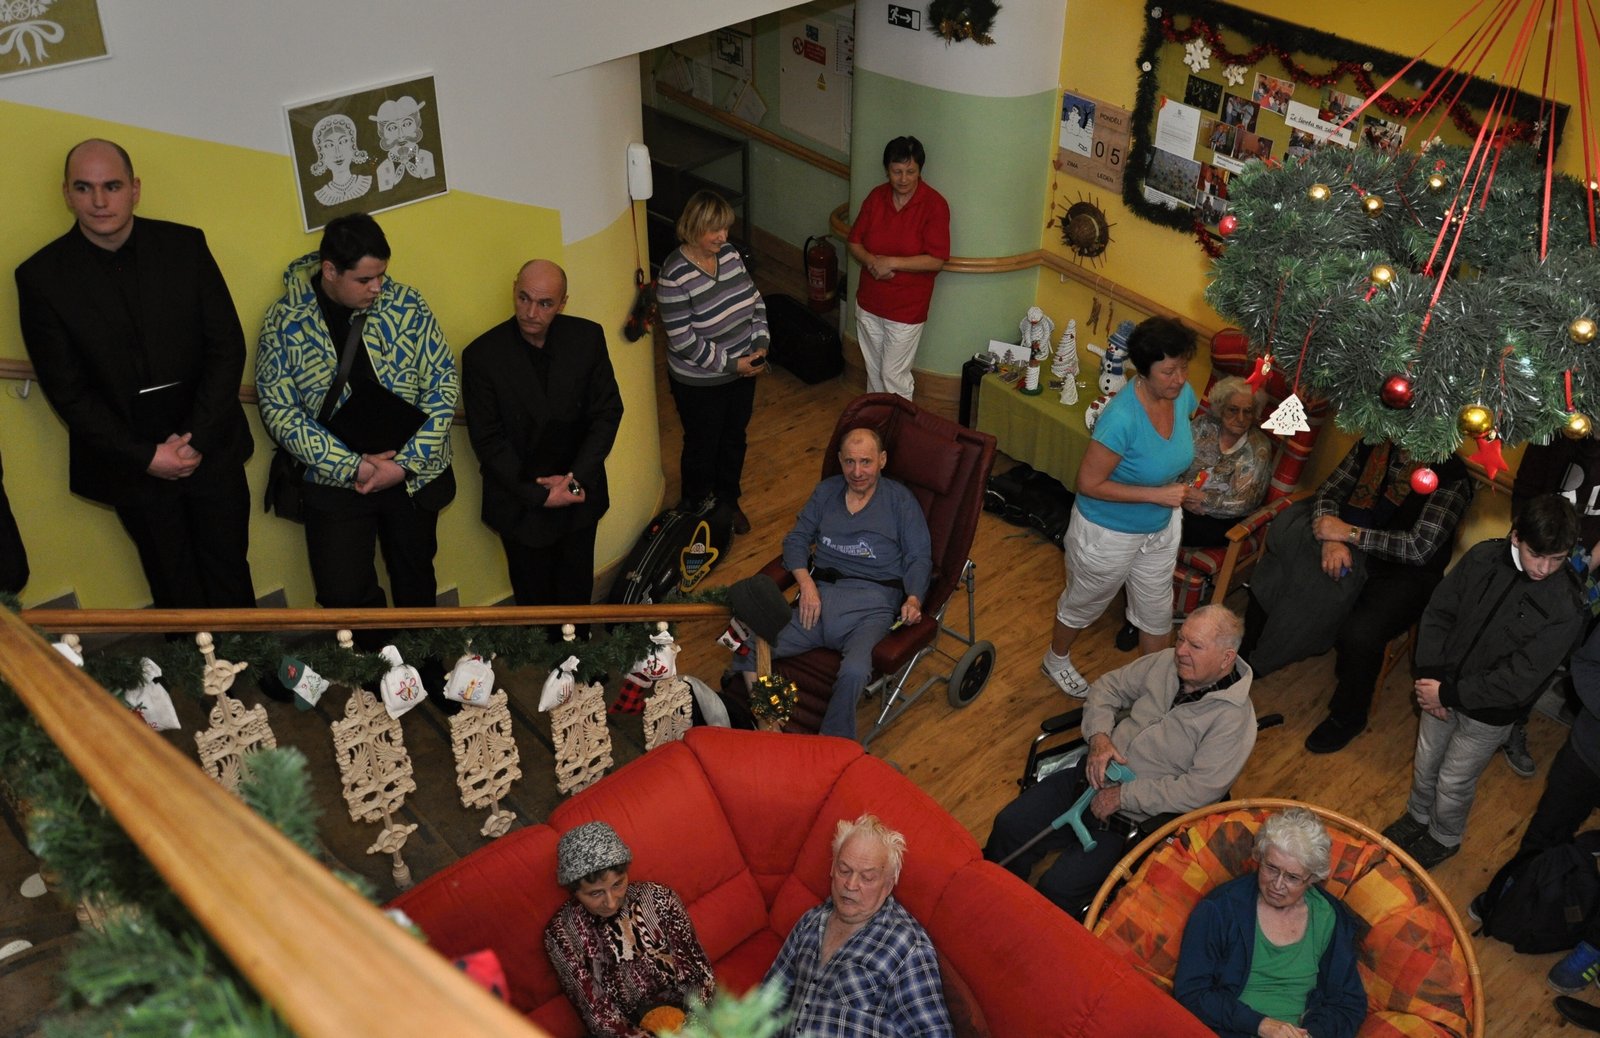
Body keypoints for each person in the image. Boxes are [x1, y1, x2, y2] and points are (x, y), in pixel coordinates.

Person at [15, 138, 256, 610]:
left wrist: (197, 439)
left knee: (230, 570)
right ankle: (193, 661)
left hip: (212, 447)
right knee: (173, 586)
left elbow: (226, 346)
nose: (99, 201)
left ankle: (250, 655)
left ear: (135, 189)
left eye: (112, 186)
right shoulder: (41, 277)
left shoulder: (186, 245)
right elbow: (67, 390)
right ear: (66, 194)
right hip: (130, 465)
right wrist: (146, 456)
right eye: (84, 187)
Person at [255, 212, 457, 640]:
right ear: (330, 271)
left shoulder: (407, 304)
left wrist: (404, 463)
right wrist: (354, 466)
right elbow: (280, 411)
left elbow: (442, 381)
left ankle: (426, 665)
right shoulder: (285, 321)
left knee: (416, 580)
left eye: (382, 275)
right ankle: (379, 668)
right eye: (365, 279)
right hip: (334, 479)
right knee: (345, 593)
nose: (378, 287)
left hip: (411, 475)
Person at [986, 605, 1257, 916]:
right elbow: (1107, 688)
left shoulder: (1233, 720)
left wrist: (1124, 796)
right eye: (1181, 638)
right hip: (1090, 776)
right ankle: (990, 896)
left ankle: (1033, 931)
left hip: (1132, 821)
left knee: (1058, 889)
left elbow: (1199, 790)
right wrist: (1100, 737)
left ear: (1226, 658)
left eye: (1194, 645)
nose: (1180, 651)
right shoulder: (1165, 662)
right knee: (1010, 826)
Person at [1382, 495, 1584, 868]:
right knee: (1426, 761)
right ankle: (1417, 815)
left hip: (1488, 713)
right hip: (1439, 687)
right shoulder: (1482, 558)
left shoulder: (1566, 605)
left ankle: (1443, 837)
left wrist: (1448, 693)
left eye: (1557, 559)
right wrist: (1431, 675)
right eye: (1536, 554)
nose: (1544, 568)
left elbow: (1521, 677)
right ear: (1516, 536)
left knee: (1454, 780)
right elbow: (1439, 613)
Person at [1239, 441, 1473, 754]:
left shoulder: (1451, 475)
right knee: (1284, 569)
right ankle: (1247, 654)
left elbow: (1418, 548)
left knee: (1360, 634)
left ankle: (1349, 715)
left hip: (1406, 571)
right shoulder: (1373, 442)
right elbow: (1329, 491)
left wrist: (1348, 533)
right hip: (1350, 545)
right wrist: (1329, 538)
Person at [732, 427, 930, 740]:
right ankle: (768, 721)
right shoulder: (826, 492)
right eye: (850, 461)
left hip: (872, 607)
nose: (857, 471)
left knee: (854, 672)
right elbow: (796, 539)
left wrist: (914, 599)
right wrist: (805, 583)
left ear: (882, 460)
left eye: (866, 462)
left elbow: (919, 557)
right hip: (819, 601)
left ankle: (832, 742)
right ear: (839, 460)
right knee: (750, 647)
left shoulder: (900, 502)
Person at [1042, 316, 1201, 697]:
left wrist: (1182, 488)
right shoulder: (1121, 419)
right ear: (1143, 372)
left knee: (1156, 612)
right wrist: (1157, 494)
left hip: (1160, 528)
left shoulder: (1182, 395)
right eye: (1168, 372)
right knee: (1084, 603)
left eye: (1183, 367)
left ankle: (1155, 687)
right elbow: (1089, 484)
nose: (1179, 379)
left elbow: (1171, 451)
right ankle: (1055, 659)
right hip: (1107, 534)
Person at [461, 260, 623, 616]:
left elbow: (607, 412)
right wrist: (540, 495)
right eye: (524, 298)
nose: (531, 312)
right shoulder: (482, 356)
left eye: (545, 303)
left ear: (563, 303)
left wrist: (574, 480)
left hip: (578, 493)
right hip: (520, 502)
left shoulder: (587, 338)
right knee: (533, 603)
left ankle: (578, 650)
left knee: (577, 595)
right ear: (514, 289)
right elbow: (488, 440)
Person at [1173, 807, 1367, 1038]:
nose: (1277, 884)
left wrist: (1311, 1033)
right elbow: (1191, 992)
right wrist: (1261, 1025)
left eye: (1292, 877)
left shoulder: (1327, 916)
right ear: (1259, 858)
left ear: (1312, 879)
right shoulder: (1219, 909)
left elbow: (1348, 1003)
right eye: (1271, 868)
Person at [1116, 376, 1271, 650]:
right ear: (1220, 407)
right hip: (1181, 501)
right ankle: (1139, 609)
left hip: (1218, 522)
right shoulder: (1202, 426)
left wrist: (1203, 500)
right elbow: (1174, 460)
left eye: (1248, 411)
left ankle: (1138, 618)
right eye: (1233, 409)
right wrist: (1183, 494)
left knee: (1153, 530)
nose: (1240, 418)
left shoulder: (1258, 448)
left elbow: (1244, 502)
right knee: (1148, 519)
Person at [765, 813, 952, 1038]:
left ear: (889, 884)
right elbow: (768, 1000)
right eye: (844, 870)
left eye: (867, 877)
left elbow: (933, 1033)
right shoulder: (810, 923)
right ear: (832, 869)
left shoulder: (907, 946)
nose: (851, 884)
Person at [655, 189, 768, 535]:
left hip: (743, 372)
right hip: (699, 382)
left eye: (725, 228)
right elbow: (684, 341)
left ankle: (728, 501)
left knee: (734, 439)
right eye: (714, 230)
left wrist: (760, 343)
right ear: (693, 228)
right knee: (702, 445)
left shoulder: (731, 254)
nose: (723, 236)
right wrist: (734, 365)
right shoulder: (674, 275)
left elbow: (756, 302)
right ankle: (693, 503)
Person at [544, 821, 714, 1038]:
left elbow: (701, 975)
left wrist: (690, 1027)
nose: (611, 902)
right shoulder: (562, 935)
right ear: (574, 892)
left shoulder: (659, 899)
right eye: (595, 893)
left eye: (618, 884)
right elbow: (599, 1017)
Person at [1505, 432, 1600, 776]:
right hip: (1533, 552)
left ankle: (1514, 723)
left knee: (1550, 656)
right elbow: (1525, 493)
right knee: (1506, 635)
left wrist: (1578, 571)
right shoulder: (1556, 434)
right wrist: (1531, 551)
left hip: (1585, 575)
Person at [847, 136, 951, 400]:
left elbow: (936, 259)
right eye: (897, 171)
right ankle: (876, 423)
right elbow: (854, 242)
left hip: (907, 309)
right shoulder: (876, 197)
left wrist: (891, 262)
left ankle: (899, 424)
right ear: (887, 170)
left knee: (893, 375)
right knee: (874, 372)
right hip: (869, 302)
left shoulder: (934, 205)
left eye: (910, 171)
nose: (903, 179)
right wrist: (872, 262)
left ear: (919, 171)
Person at [308, 114, 372, 207]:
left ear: (352, 146)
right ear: (321, 153)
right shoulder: (322, 195)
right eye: (329, 145)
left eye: (343, 142)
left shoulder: (366, 183)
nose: (337, 152)